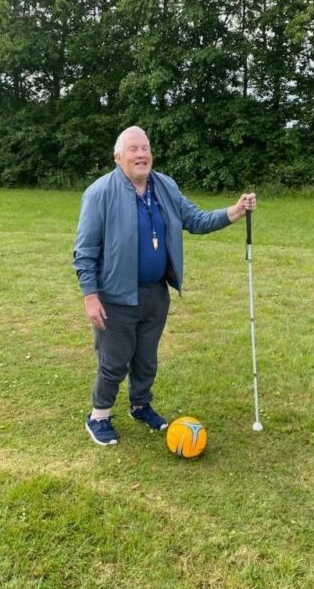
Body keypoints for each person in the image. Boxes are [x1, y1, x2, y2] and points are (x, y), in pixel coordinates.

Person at [73, 126, 256, 446]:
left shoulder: (166, 187)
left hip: (156, 293)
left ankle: (140, 406)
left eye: (145, 148)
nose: (141, 154)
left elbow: (195, 220)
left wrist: (236, 211)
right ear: (118, 157)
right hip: (115, 297)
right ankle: (98, 416)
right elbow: (84, 252)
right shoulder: (99, 193)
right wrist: (91, 296)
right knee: (114, 361)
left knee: (146, 358)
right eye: (133, 149)